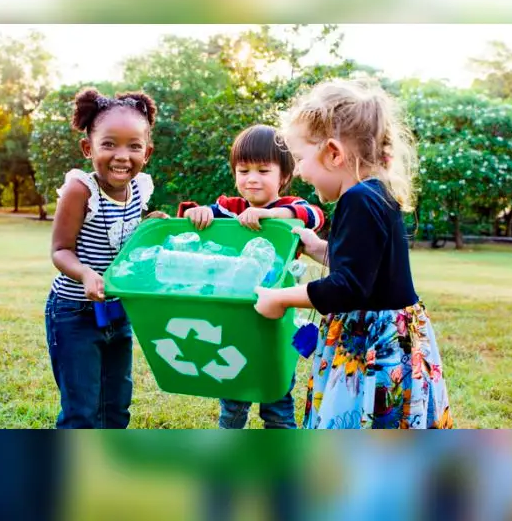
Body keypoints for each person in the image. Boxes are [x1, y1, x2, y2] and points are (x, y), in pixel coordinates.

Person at [254, 79, 453, 429]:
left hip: (374, 345)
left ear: (333, 153)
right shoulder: (375, 193)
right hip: (392, 335)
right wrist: (317, 247)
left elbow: (348, 288)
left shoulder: (357, 200)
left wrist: (280, 298)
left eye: (300, 159)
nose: (298, 171)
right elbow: (365, 270)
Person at [177, 124, 325, 429]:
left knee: (277, 401)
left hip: (277, 320)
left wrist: (269, 214)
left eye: (263, 170)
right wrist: (197, 213)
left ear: (283, 176)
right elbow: (197, 218)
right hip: (234, 317)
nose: (252, 178)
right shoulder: (230, 209)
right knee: (233, 396)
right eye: (243, 171)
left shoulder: (289, 208)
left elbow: (313, 215)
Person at [45, 87, 167, 429]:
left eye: (134, 146)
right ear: (89, 148)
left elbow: (123, 240)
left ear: (147, 152)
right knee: (82, 410)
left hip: (117, 312)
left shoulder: (140, 188)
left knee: (116, 406)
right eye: (109, 144)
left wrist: (149, 226)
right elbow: (60, 250)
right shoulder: (80, 190)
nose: (122, 156)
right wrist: (85, 274)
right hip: (75, 313)